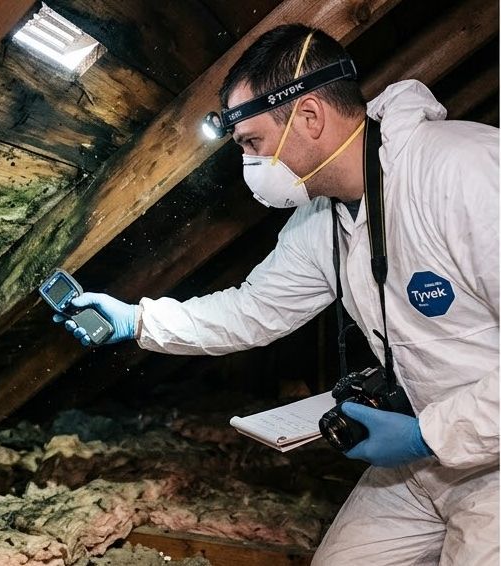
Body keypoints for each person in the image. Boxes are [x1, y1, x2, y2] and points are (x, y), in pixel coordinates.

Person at [53, 24, 499, 565]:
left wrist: (426, 435)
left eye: (251, 143)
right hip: (418, 465)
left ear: (309, 117)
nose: (249, 163)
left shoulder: (464, 170)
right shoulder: (322, 219)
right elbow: (251, 311)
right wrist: (137, 320)